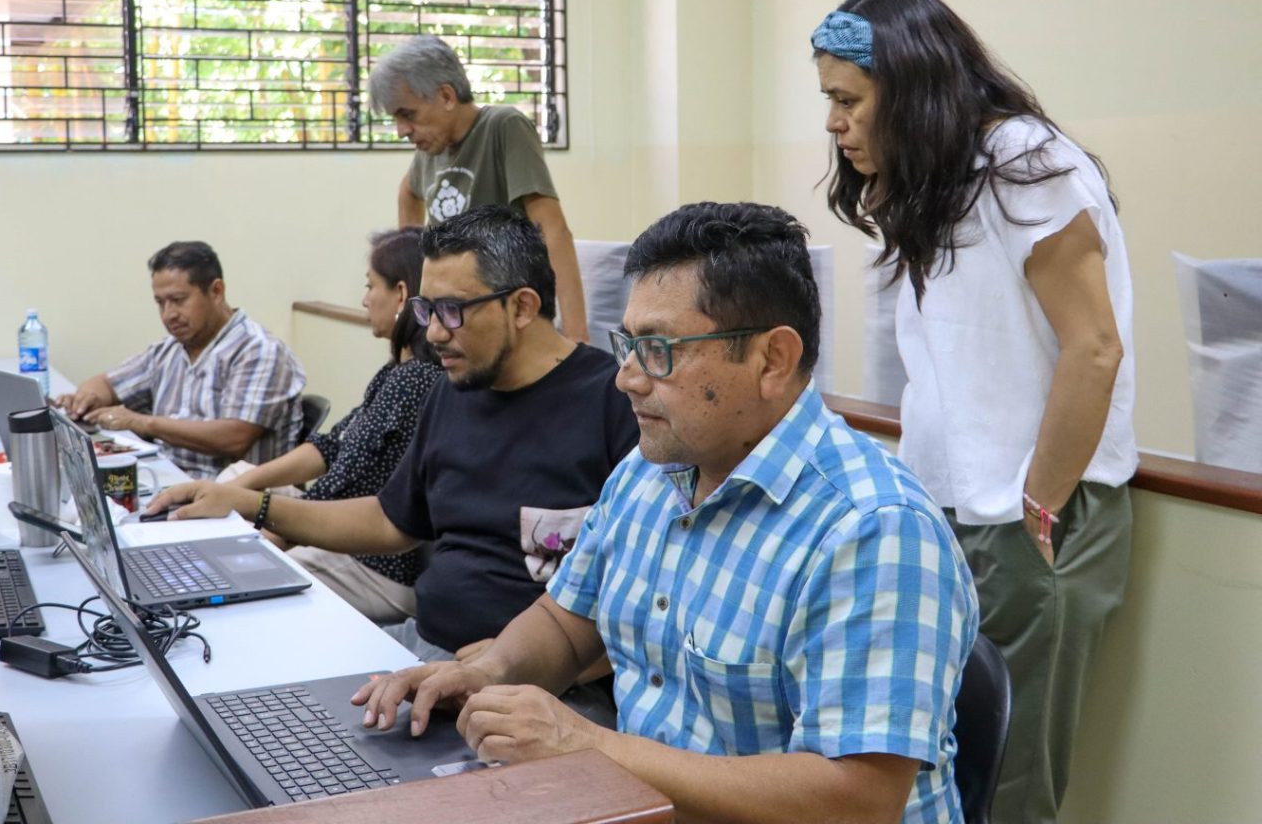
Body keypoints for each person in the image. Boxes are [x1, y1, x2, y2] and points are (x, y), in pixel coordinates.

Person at [353, 202, 979, 824]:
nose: (625, 378)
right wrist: (486, 672)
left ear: (772, 360)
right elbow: (567, 621)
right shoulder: (651, 471)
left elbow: (859, 800)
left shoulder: (873, 529)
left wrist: (588, 746)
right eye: (627, 344)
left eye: (657, 350)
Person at [812, 0, 1136, 824]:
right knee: (942, 776)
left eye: (848, 101)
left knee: (1011, 791)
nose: (834, 123)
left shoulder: (1026, 163)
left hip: (1032, 516)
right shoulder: (944, 178)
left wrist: (1039, 506)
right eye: (829, 102)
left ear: (911, 88)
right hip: (955, 512)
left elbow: (1094, 349)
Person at [147, 207, 637, 661]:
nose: (435, 333)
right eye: (427, 310)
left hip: (536, 678)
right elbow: (391, 521)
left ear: (523, 307)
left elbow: (646, 602)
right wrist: (247, 502)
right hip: (427, 643)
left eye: (452, 310)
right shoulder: (454, 390)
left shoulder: (614, 403)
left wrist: (512, 665)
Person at [143, 228, 442, 624]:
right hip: (347, 531)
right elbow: (331, 447)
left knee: (242, 581)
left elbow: (341, 485)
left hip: (376, 565)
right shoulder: (396, 371)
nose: (364, 299)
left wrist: (261, 534)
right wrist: (238, 487)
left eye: (370, 286)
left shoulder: (414, 379)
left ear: (401, 294)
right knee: (237, 476)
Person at [370, 35, 591, 344]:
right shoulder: (430, 151)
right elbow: (407, 192)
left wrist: (576, 334)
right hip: (450, 320)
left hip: (503, 317)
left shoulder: (503, 126)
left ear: (446, 96)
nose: (402, 131)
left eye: (408, 115)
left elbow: (552, 229)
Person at [58, 241, 306, 476]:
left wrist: (143, 423)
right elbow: (105, 384)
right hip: (169, 480)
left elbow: (234, 438)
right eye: (160, 303)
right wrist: (86, 399)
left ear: (216, 291)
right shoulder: (169, 349)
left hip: (231, 496)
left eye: (178, 300)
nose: (169, 314)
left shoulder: (259, 350)